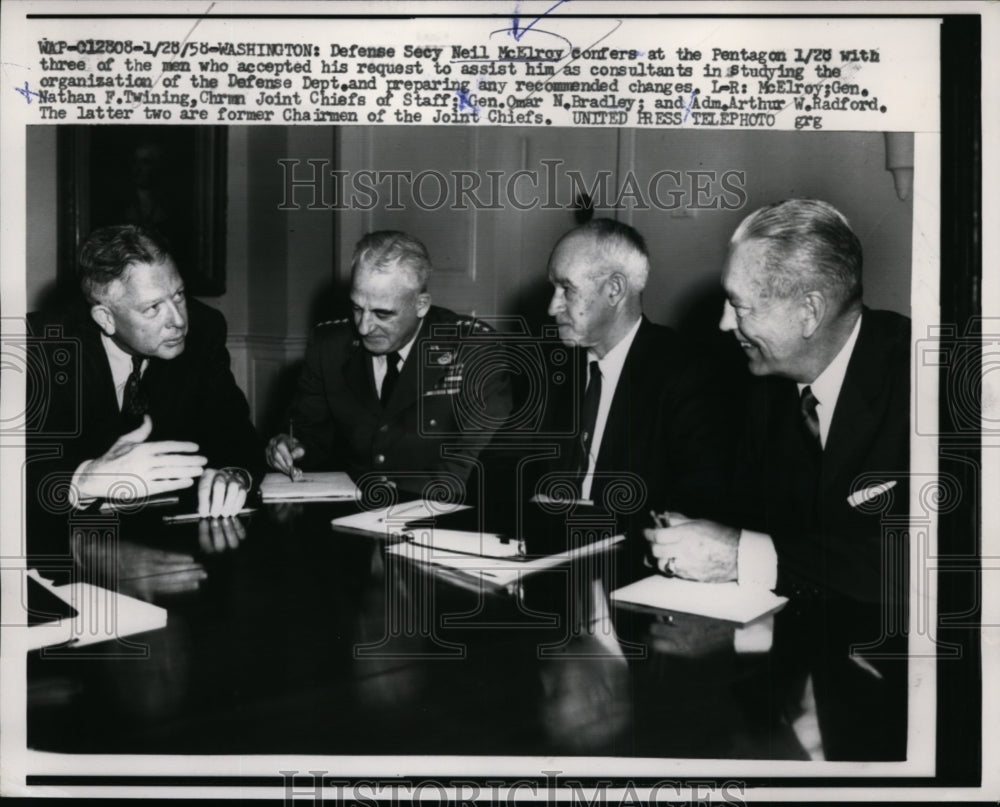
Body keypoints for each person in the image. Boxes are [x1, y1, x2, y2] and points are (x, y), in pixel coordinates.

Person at [644, 199, 910, 760]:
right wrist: (696, 534)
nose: (722, 324)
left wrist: (741, 555)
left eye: (740, 306)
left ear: (809, 311)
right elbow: (761, 523)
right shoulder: (766, 391)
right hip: (799, 661)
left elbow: (918, 566)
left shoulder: (924, 383)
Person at [27, 224, 263, 524]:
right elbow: (13, 471)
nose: (178, 321)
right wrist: (82, 479)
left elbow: (239, 439)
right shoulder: (41, 345)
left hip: (168, 539)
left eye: (178, 295)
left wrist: (234, 475)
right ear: (106, 318)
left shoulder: (204, 330)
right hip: (66, 539)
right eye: (153, 308)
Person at [266, 231, 512, 500]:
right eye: (357, 308)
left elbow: (475, 462)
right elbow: (309, 436)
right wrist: (290, 448)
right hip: (351, 517)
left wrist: (397, 497)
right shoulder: (329, 346)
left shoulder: (473, 348)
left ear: (421, 305)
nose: (363, 327)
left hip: (439, 516)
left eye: (382, 314)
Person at [538, 218, 728, 519]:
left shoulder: (689, 375)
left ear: (614, 289)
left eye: (566, 289)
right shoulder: (552, 369)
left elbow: (699, 501)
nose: (552, 307)